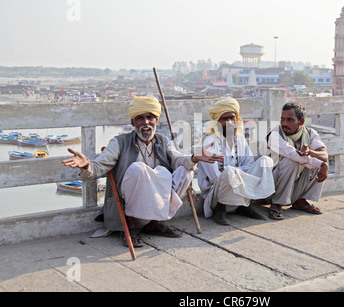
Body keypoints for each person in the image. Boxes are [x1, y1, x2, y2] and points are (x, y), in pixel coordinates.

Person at [62, 96, 223, 247]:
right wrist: (85, 165)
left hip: (159, 198)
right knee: (138, 169)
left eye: (150, 118)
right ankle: (131, 226)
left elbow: (178, 159)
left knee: (186, 171)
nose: (146, 123)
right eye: (140, 118)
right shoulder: (119, 142)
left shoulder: (163, 140)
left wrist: (195, 158)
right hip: (131, 206)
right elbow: (98, 168)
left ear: (156, 121)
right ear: (133, 122)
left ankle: (154, 223)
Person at [198, 98, 275, 225]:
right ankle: (220, 210)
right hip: (217, 197)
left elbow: (249, 164)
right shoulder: (209, 141)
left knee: (265, 161)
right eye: (224, 119)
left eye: (232, 118)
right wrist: (232, 173)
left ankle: (244, 205)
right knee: (228, 172)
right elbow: (214, 178)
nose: (229, 122)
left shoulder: (239, 138)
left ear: (236, 119)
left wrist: (235, 173)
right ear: (217, 121)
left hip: (239, 190)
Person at [266, 102, 329, 220]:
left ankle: (299, 201)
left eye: (290, 120)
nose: (284, 123)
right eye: (282, 119)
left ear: (301, 122)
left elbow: (324, 155)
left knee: (321, 163)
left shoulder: (310, 133)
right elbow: (293, 154)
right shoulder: (275, 134)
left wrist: (311, 152)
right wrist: (322, 164)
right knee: (292, 161)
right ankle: (277, 204)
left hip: (293, 187)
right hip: (270, 189)